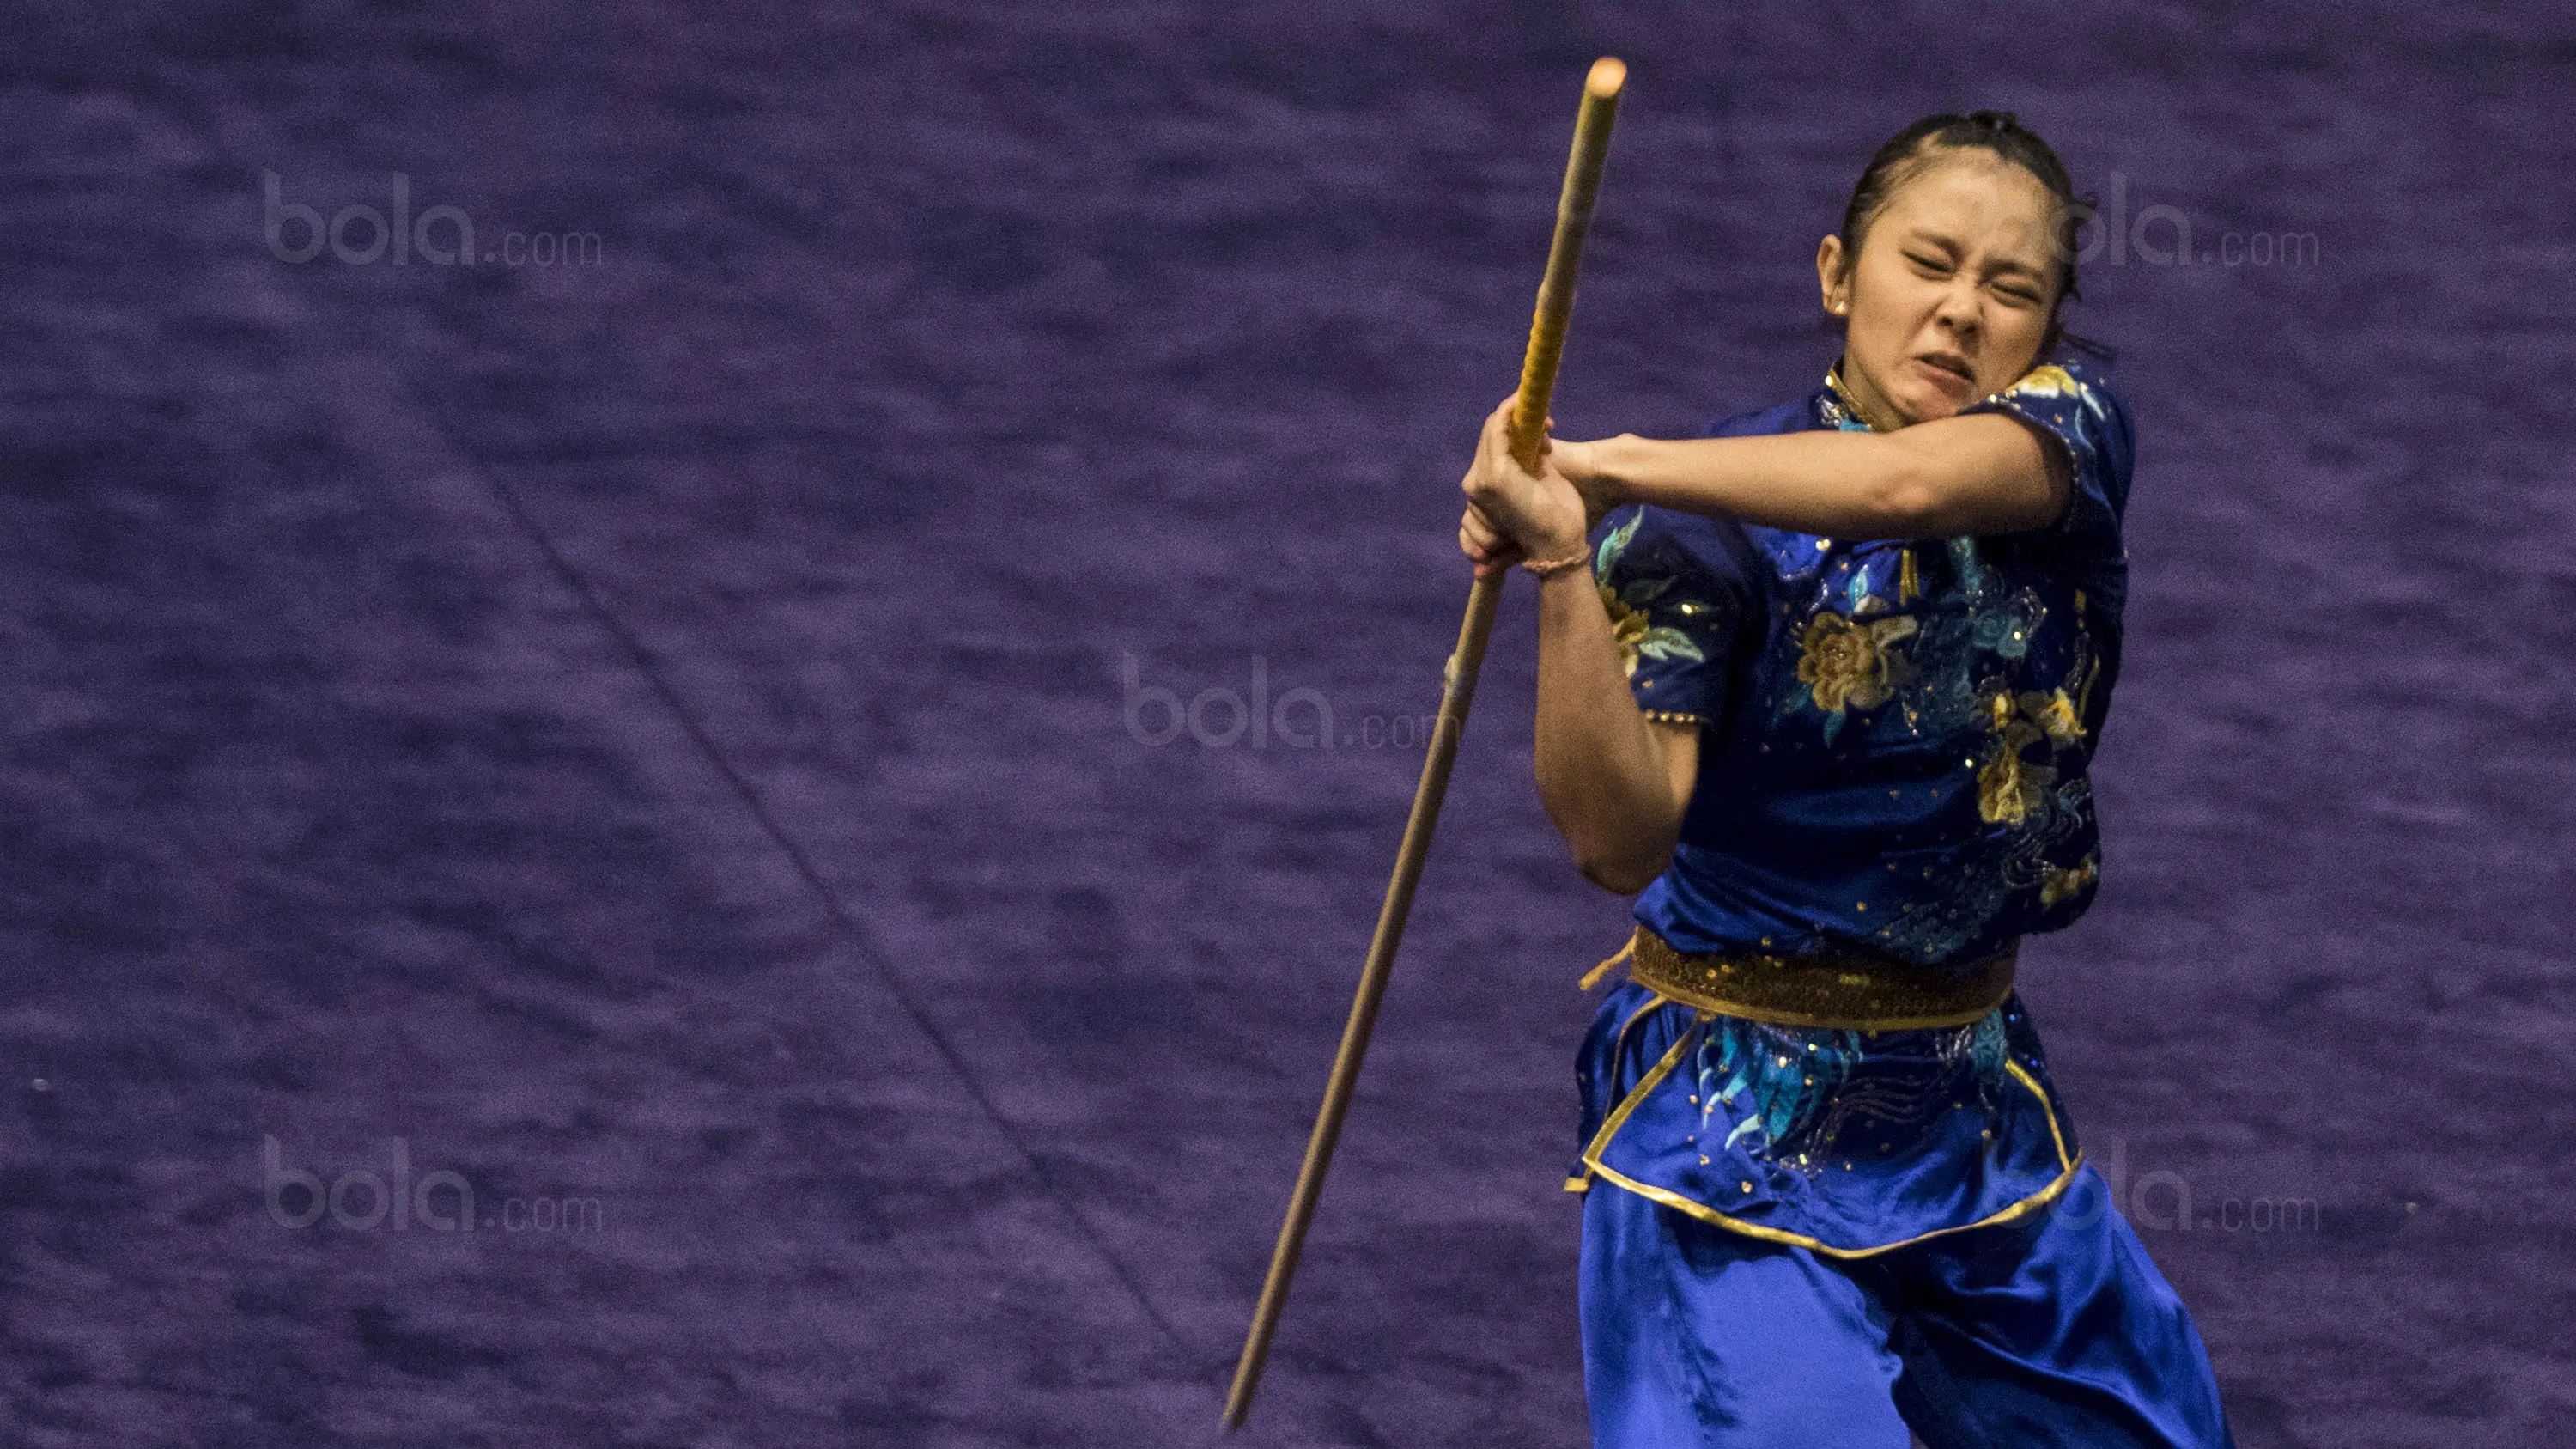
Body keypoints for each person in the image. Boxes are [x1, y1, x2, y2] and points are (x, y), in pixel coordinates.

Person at [1456, 111, 2237, 1448]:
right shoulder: (1699, 533)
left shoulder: (2066, 439)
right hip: (1731, 1126)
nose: (1959, 315)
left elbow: (1905, 484)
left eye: (2011, 290)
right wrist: (1566, 560)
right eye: (1926, 263)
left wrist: (1594, 458)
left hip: (1971, 1096)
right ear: (1836, 273)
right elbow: (1617, 839)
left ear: (2048, 331)